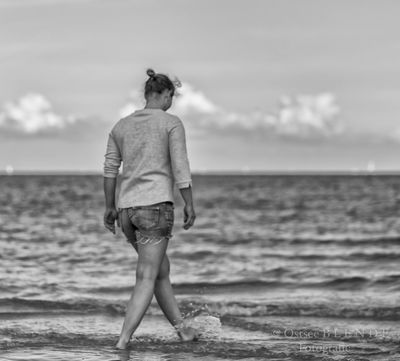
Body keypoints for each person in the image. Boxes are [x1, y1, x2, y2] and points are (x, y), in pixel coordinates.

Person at [103, 68, 197, 349]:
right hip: (155, 207)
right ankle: (122, 342)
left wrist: (109, 207)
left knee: (159, 270)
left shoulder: (121, 125)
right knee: (147, 275)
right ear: (165, 94)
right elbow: (180, 166)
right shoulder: (171, 122)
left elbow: (110, 170)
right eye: (172, 96)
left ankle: (183, 331)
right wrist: (189, 203)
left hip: (127, 211)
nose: (171, 102)